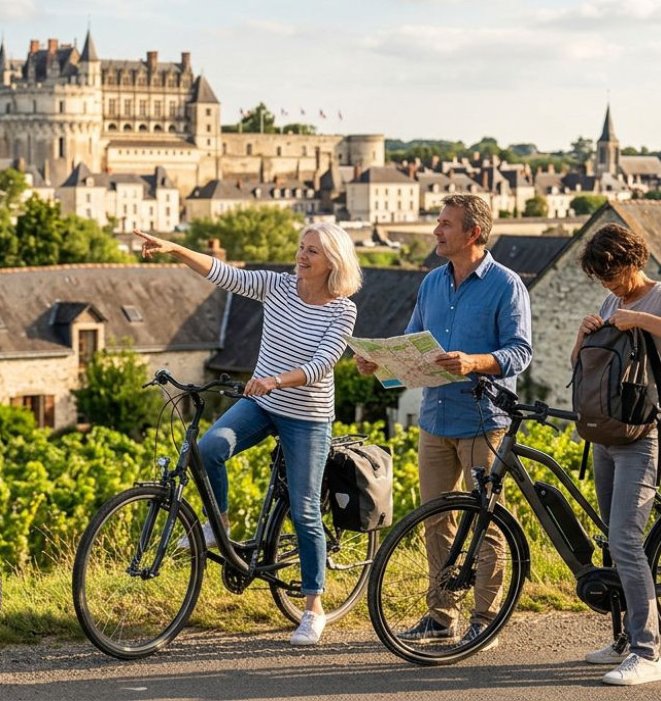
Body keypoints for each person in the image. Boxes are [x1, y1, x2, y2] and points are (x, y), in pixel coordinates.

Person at [133, 223, 361, 646]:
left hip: (307, 416)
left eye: (312, 251)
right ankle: (216, 520)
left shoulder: (341, 310)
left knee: (305, 509)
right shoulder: (276, 286)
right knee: (208, 448)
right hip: (262, 404)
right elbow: (223, 274)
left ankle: (313, 606)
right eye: (301, 247)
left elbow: (322, 365)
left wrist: (274, 380)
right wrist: (173, 248)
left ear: (333, 261)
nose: (301, 256)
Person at [355, 194, 532, 651]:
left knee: (486, 523)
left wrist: (474, 362)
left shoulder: (507, 285)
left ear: (473, 233)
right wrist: (381, 365)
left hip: (483, 420)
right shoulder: (432, 282)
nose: (436, 230)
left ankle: (485, 620)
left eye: (445, 224)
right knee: (437, 521)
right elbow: (413, 344)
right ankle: (441, 617)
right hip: (435, 419)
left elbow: (521, 353)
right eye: (438, 222)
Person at [572, 223, 661, 686]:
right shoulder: (612, 301)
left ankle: (649, 654)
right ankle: (625, 639)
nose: (608, 287)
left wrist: (643, 320)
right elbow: (585, 365)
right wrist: (584, 333)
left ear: (634, 263)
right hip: (609, 432)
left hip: (646, 435)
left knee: (626, 539)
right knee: (611, 540)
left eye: (613, 275)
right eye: (602, 279)